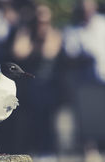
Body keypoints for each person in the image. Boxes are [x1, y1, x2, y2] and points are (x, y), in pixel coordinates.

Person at [6, 4, 63, 153]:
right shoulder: (26, 34)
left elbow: (49, 52)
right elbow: (18, 52)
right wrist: (26, 33)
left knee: (46, 122)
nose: (40, 25)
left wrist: (40, 40)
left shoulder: (54, 34)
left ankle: (47, 152)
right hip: (28, 89)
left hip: (48, 87)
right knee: (26, 124)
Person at [63, 0, 105, 85]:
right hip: (85, 84)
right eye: (84, 9)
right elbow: (70, 56)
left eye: (89, 8)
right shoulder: (72, 31)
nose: (87, 12)